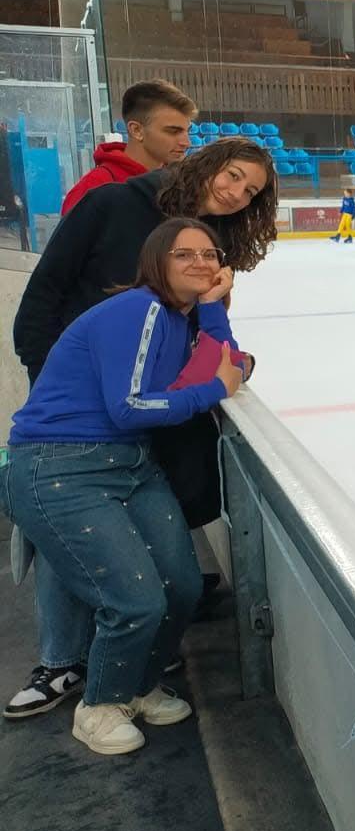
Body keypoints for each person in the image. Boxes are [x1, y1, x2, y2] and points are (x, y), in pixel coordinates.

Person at [7, 138, 276, 722]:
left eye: (250, 192)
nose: (236, 194)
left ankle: (134, 672)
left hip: (131, 446)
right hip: (71, 440)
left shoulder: (190, 292)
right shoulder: (123, 240)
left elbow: (214, 359)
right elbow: (50, 293)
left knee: (166, 579)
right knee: (109, 574)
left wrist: (219, 325)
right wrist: (51, 377)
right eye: (233, 177)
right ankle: (75, 674)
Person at [61, 80, 194, 215]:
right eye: (173, 131)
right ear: (136, 130)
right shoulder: (94, 188)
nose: (186, 142)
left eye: (187, 131)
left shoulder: (181, 185)